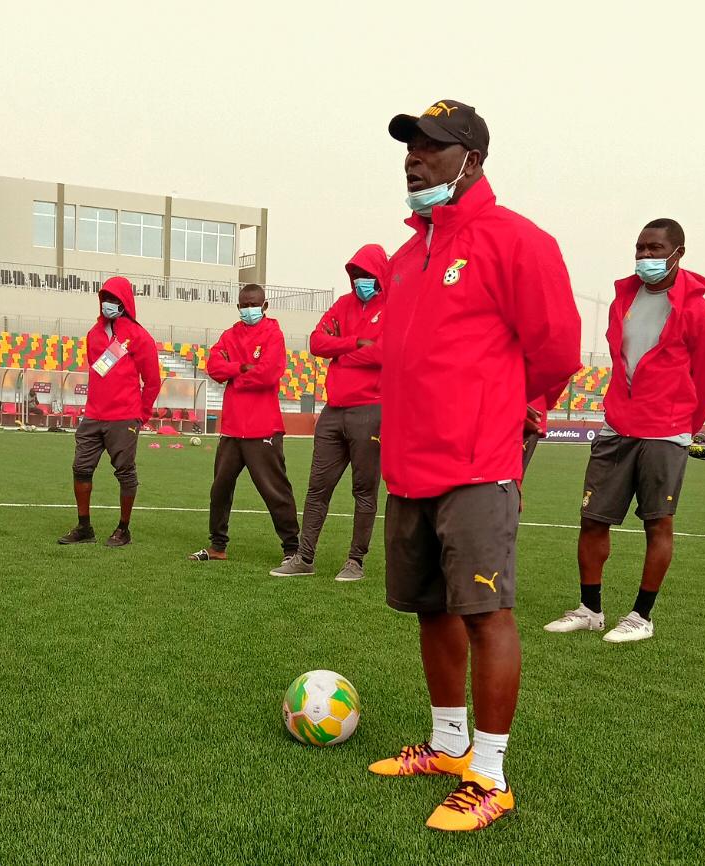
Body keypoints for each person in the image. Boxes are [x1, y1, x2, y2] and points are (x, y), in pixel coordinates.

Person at [369, 99, 581, 831]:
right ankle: (448, 743)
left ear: (473, 160)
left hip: (477, 464)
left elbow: (555, 350)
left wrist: (509, 415)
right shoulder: (403, 257)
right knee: (432, 607)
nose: (413, 158)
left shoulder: (517, 241)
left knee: (486, 612)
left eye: (432, 146)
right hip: (409, 466)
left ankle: (489, 775)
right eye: (410, 146)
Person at [545, 219, 705, 642]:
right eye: (640, 248)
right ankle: (590, 608)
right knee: (592, 519)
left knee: (657, 523)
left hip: (665, 431)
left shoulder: (702, 313)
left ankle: (641, 617)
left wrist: (684, 425)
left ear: (678, 252)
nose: (645, 256)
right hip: (616, 426)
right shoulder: (622, 300)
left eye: (655, 248)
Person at [270, 244, 387, 582]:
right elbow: (316, 342)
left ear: (379, 275)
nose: (361, 281)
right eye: (356, 275)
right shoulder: (343, 304)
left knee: (364, 490)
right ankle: (304, 557)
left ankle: (355, 562)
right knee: (317, 488)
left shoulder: (393, 307)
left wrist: (343, 350)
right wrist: (354, 343)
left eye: (367, 275)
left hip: (370, 410)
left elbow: (385, 353)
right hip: (333, 410)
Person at [189, 284, 300, 565]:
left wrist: (233, 372)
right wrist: (241, 367)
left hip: (263, 428)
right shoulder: (230, 335)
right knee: (220, 489)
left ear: (265, 305)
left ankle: (292, 548)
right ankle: (217, 546)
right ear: (238, 307)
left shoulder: (274, 334)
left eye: (253, 304)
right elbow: (213, 367)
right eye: (243, 305)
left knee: (274, 490)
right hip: (232, 429)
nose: (248, 309)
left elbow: (269, 374)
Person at [58, 276, 161, 548]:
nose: (108, 304)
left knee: (125, 472)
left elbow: (152, 381)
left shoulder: (139, 337)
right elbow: (98, 370)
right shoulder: (93, 335)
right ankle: (84, 527)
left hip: (124, 417)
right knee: (81, 468)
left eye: (114, 299)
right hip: (93, 415)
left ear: (125, 302)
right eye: (105, 298)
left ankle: (123, 529)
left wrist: (142, 415)